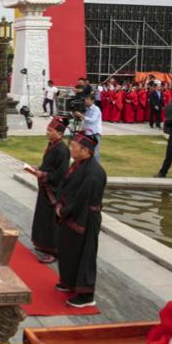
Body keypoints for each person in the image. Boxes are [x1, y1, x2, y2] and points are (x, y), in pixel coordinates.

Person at [55, 132, 106, 308]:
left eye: (74, 147)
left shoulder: (94, 172)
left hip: (85, 218)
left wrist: (64, 211)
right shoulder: (80, 164)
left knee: (85, 255)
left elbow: (82, 200)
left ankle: (86, 296)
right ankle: (69, 282)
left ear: (85, 150)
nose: (71, 149)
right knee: (70, 250)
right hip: (74, 213)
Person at [25, 116, 70, 263]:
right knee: (42, 219)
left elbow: (60, 173)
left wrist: (43, 174)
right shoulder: (52, 145)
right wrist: (38, 168)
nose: (47, 133)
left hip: (53, 190)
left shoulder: (62, 150)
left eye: (50, 131)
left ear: (59, 133)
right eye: (47, 130)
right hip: (45, 188)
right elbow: (48, 164)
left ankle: (53, 251)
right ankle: (42, 244)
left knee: (51, 222)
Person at [74, 94, 102, 161]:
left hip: (94, 133)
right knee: (86, 151)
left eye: (87, 99)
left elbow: (92, 120)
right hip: (87, 133)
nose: (85, 101)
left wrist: (81, 115)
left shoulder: (96, 109)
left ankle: (97, 168)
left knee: (95, 152)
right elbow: (84, 119)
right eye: (85, 99)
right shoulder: (86, 109)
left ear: (92, 100)